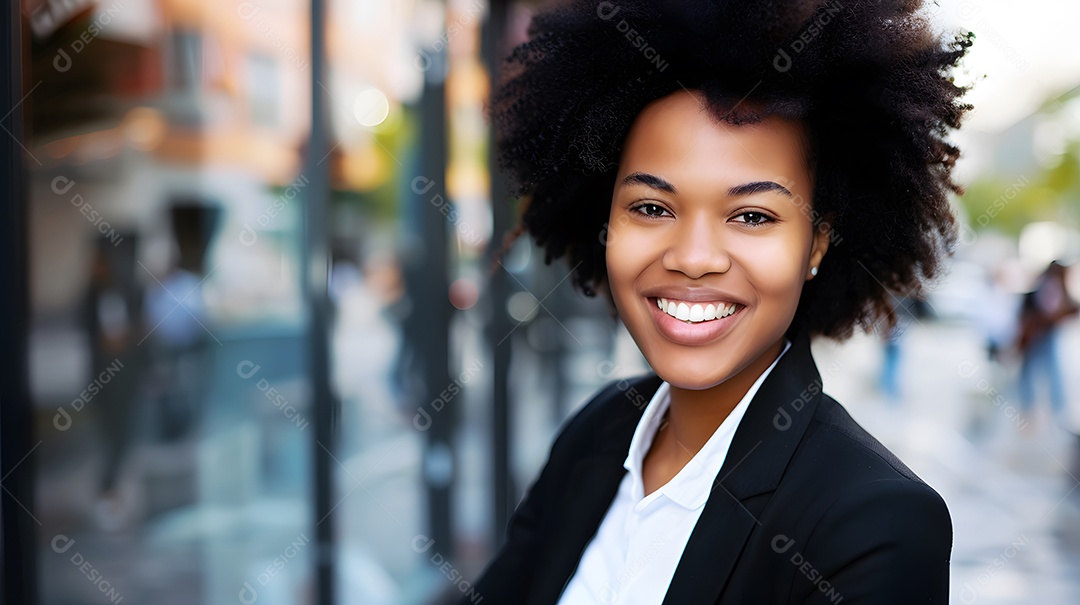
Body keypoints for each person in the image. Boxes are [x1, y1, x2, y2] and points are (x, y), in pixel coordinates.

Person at [465, 1, 971, 603]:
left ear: (817, 243)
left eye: (752, 215)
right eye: (652, 208)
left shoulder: (873, 523)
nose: (694, 257)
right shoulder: (597, 432)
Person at [1017, 261, 1078, 424]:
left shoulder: (1053, 286)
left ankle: (1055, 408)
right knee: (1033, 372)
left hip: (1047, 334)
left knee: (1051, 371)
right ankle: (1033, 407)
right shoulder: (1049, 286)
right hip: (1037, 335)